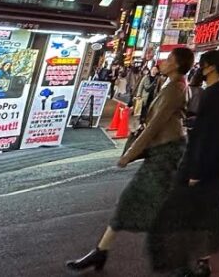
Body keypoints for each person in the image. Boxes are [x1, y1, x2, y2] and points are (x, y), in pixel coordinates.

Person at [65, 47, 193, 273]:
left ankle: (183, 261)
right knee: (139, 202)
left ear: (177, 64)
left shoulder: (175, 87)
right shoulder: (172, 84)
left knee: (153, 206)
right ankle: (101, 251)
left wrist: (130, 153)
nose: (163, 62)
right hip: (163, 151)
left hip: (166, 153)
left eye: (169, 59)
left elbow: (155, 126)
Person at [147, 49, 219, 276]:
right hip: (202, 163)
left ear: (212, 67)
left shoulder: (216, 93)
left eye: (203, 63)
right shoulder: (214, 91)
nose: (199, 67)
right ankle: (196, 261)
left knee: (191, 211)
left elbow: (214, 135)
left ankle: (195, 263)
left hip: (202, 166)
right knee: (198, 213)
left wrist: (198, 170)